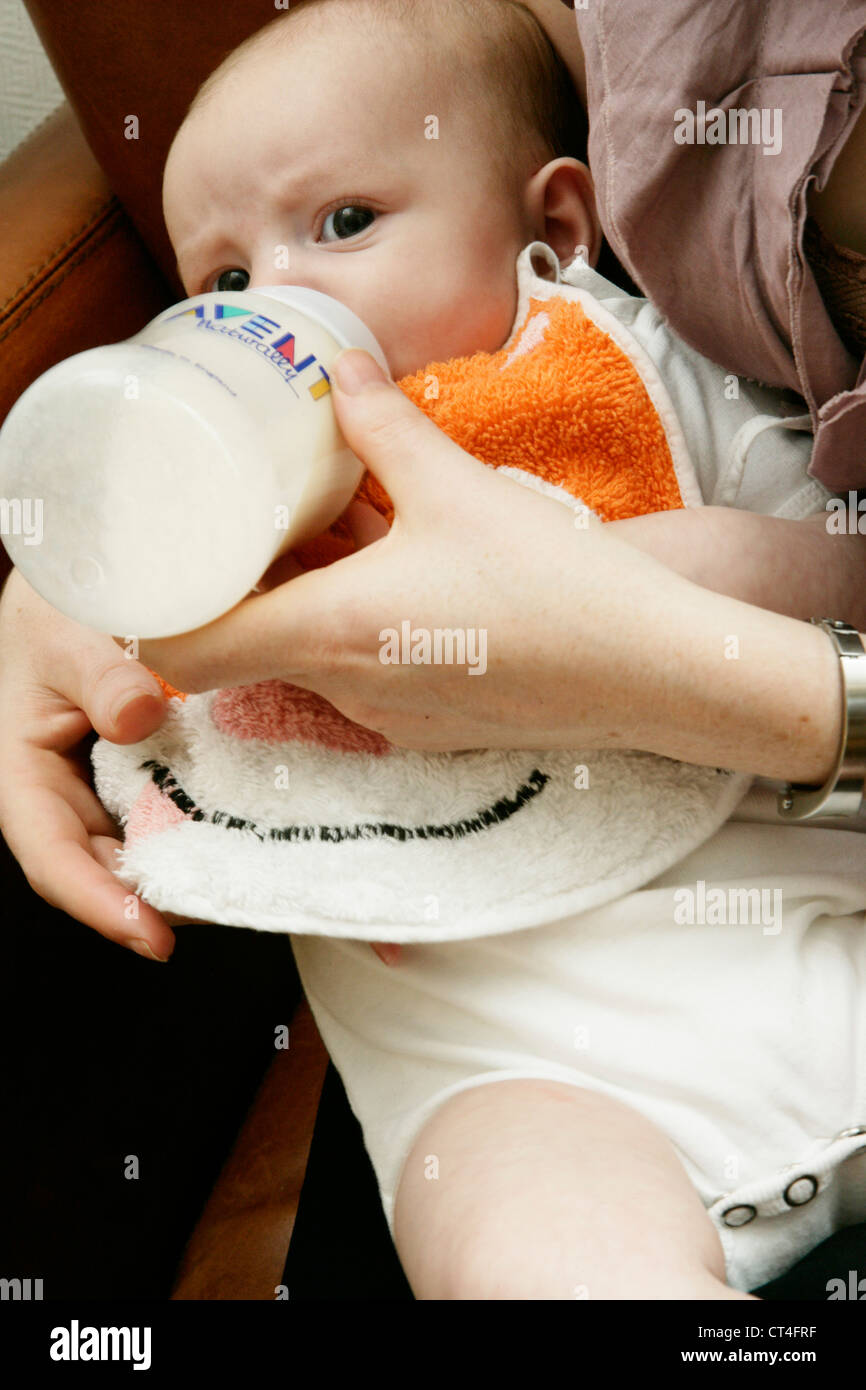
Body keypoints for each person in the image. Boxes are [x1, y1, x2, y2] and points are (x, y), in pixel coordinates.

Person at [0, 0, 863, 1299]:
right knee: (523, 1232)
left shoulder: (641, 378)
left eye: (343, 221)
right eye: (222, 283)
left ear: (554, 230)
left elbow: (839, 573)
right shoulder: (229, 517)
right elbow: (117, 647)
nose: (276, 300)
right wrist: (77, 554)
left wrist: (648, 581)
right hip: (529, 1073)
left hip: (815, 928)